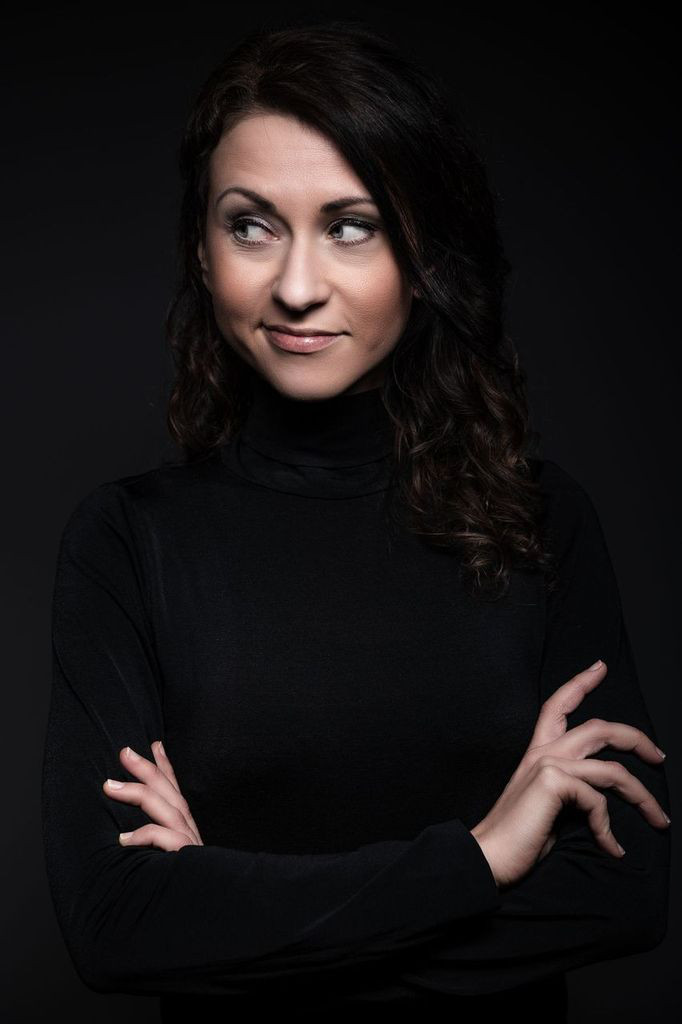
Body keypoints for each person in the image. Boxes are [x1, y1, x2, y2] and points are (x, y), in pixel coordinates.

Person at [41, 17, 671, 1022]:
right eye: (251, 225)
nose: (296, 287)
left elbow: (621, 894)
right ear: (202, 252)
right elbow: (115, 925)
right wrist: (480, 860)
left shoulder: (540, 521)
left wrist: (228, 914)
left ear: (421, 252)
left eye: (351, 225)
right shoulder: (128, 540)